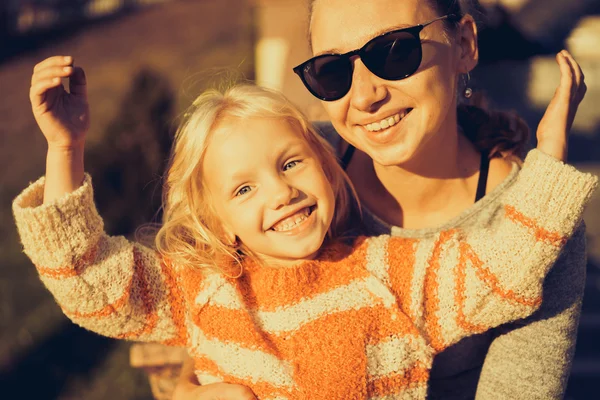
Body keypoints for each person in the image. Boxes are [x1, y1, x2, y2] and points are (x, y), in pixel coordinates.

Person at [15, 47, 594, 400]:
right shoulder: (202, 287)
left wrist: (544, 166)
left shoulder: (386, 272)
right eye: (243, 189)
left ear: (325, 163)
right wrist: (65, 149)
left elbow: (496, 274)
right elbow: (87, 280)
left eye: (291, 163)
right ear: (218, 220)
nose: (283, 193)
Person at [174, 0, 592, 399]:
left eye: (395, 52)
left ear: (464, 46)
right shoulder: (291, 172)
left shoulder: (543, 230)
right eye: (332, 70)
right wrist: (187, 383)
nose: (364, 97)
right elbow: (209, 280)